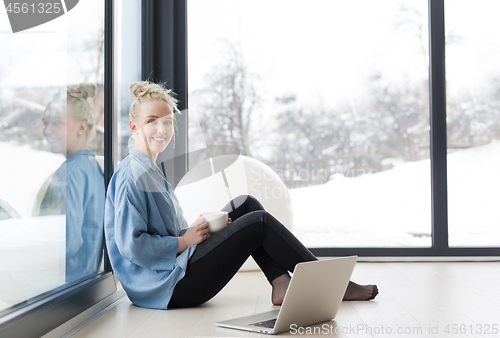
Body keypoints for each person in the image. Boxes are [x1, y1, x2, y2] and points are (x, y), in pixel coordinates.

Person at [104, 81, 378, 309]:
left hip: (174, 271)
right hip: (168, 287)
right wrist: (186, 239)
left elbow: (164, 234)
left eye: (167, 121)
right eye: (152, 122)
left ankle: (280, 283)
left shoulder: (149, 169)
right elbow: (133, 246)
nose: (162, 130)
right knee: (258, 222)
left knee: (245, 205)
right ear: (134, 127)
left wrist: (196, 232)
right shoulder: (133, 176)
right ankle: (332, 285)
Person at [41, 83, 105, 283]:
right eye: (45, 122)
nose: (47, 130)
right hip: (84, 283)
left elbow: (66, 242)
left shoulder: (70, 173)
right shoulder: (91, 168)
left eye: (56, 123)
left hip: (63, 286)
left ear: (81, 127)